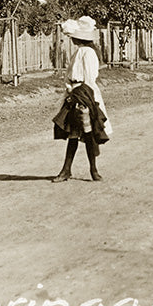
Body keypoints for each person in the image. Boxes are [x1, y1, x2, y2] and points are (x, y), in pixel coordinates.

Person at [52, 16, 111, 182]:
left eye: (73, 37)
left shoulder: (88, 53)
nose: (71, 39)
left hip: (84, 95)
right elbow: (70, 76)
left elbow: (89, 78)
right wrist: (70, 91)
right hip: (74, 94)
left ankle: (93, 170)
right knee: (73, 134)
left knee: (88, 133)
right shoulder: (79, 52)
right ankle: (66, 170)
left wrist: (83, 101)